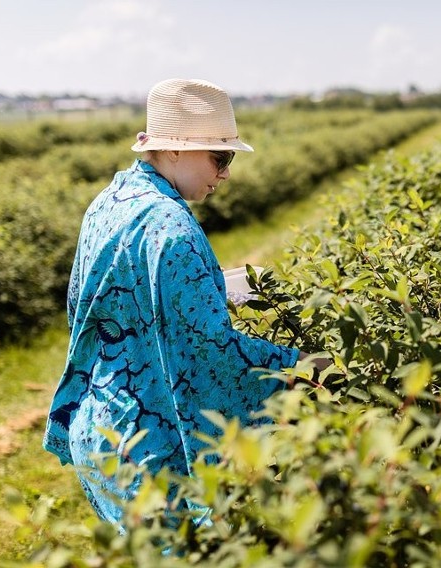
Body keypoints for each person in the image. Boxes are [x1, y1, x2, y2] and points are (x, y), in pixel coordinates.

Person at [43, 78, 328, 525]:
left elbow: (101, 299)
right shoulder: (171, 226)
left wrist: (207, 289)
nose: (226, 173)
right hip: (151, 451)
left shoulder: (113, 199)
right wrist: (303, 368)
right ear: (174, 149)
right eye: (221, 157)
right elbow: (209, 354)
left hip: (102, 428)